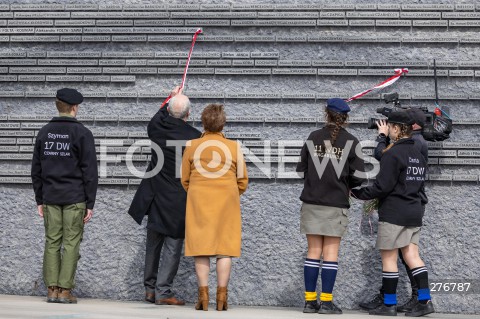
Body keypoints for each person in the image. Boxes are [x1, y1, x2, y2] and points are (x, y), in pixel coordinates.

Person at [351, 111, 434, 317]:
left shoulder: (393, 153)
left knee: (389, 258)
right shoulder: (418, 153)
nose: (387, 130)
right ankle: (425, 301)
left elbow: (382, 187)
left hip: (395, 212)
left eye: (389, 127)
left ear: (396, 129)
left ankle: (389, 304)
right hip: (414, 211)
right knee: (413, 256)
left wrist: (357, 193)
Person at [128, 86, 201, 305]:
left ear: (169, 111)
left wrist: (171, 95)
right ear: (188, 115)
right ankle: (163, 291)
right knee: (173, 245)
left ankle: (150, 289)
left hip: (154, 195)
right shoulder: (194, 138)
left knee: (153, 242)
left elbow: (157, 116)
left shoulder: (156, 129)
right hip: (178, 198)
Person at [296, 98, 364, 314]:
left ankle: (309, 302)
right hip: (336, 203)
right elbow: (360, 177)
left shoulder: (312, 137)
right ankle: (326, 303)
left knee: (313, 251)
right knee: (331, 252)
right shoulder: (352, 142)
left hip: (312, 201)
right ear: (345, 118)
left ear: (326, 114)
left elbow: (301, 170)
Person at [31, 88, 98, 304]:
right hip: (75, 198)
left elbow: (36, 169)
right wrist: (90, 202)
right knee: (71, 243)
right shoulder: (82, 134)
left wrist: (39, 199)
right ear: (74, 108)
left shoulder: (44, 132)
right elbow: (90, 171)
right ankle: (64, 291)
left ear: (57, 106)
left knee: (52, 242)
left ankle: (51, 290)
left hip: (50, 197)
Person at [181, 103, 248, 311]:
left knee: (201, 249)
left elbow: (184, 179)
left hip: (199, 201)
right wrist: (230, 193)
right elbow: (243, 180)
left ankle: (203, 297)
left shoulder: (192, 145)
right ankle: (222, 298)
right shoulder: (234, 147)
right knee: (224, 249)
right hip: (226, 201)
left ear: (203, 122)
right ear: (223, 123)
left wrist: (197, 192)